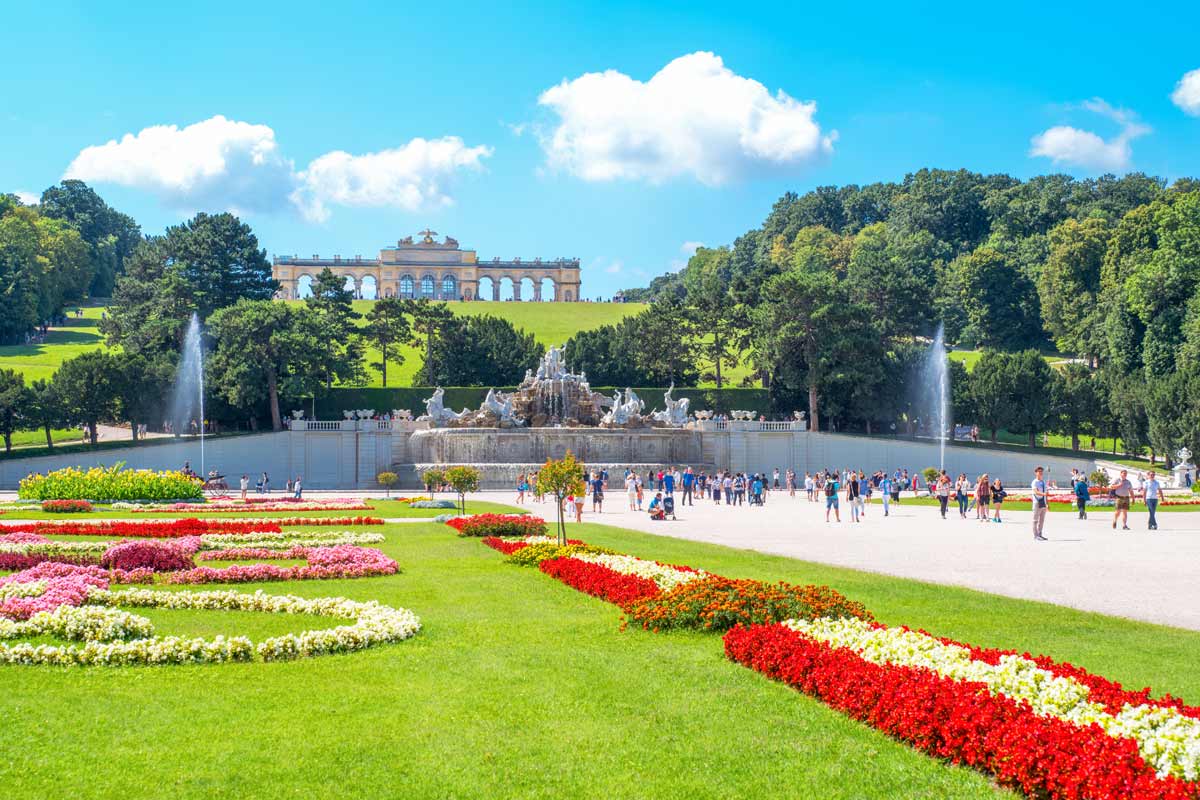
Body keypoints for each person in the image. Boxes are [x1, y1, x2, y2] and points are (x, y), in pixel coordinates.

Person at [1031, 466, 1049, 541]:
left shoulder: (1043, 482)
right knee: (1035, 520)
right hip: (1037, 502)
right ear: (1036, 473)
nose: (1040, 473)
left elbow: (1046, 493)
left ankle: (1040, 534)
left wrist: (1047, 503)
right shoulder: (1034, 482)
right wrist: (1044, 494)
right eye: (1039, 471)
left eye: (1041, 471)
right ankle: (1035, 536)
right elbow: (1035, 491)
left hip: (1043, 503)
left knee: (1042, 520)